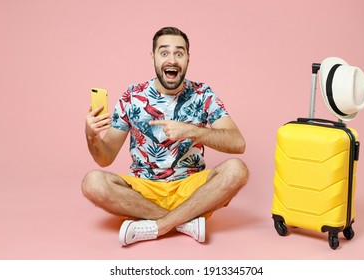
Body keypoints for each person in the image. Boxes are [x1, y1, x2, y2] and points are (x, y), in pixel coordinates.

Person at [82, 26, 249, 246]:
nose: (172, 59)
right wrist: (91, 135)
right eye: (164, 53)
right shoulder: (132, 96)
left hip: (192, 189)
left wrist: (191, 130)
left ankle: (158, 226)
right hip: (143, 192)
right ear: (153, 57)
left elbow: (238, 143)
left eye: (179, 53)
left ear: (188, 58)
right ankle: (185, 222)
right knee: (92, 182)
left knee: (237, 169)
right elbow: (105, 158)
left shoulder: (203, 94)